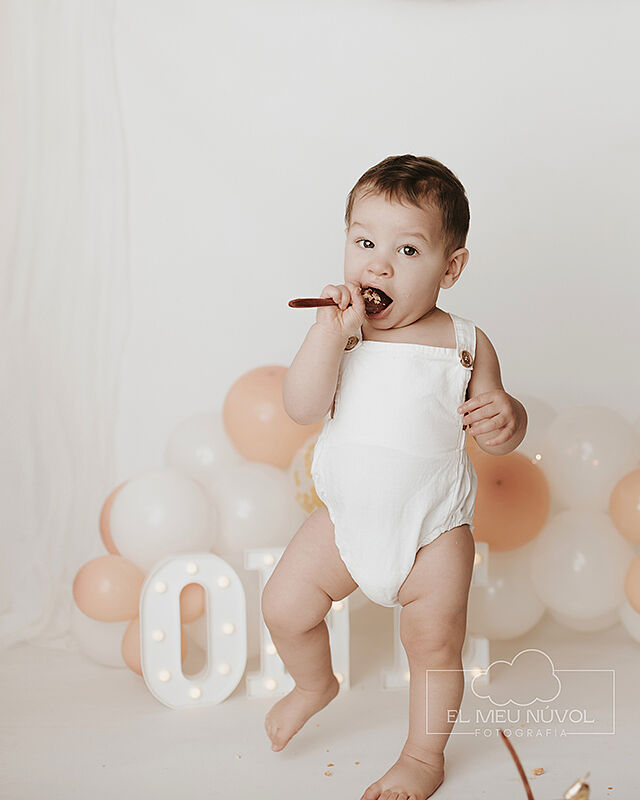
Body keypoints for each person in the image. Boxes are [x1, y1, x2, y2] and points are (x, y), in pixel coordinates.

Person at [263, 154, 527, 800]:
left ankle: (421, 756)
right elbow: (301, 406)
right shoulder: (342, 335)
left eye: (407, 250)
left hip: (433, 528)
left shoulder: (465, 343)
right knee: (283, 606)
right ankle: (313, 683)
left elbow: (502, 423)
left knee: (434, 642)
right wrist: (328, 333)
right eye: (364, 243)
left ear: (451, 267)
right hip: (347, 520)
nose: (377, 265)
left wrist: (506, 419)